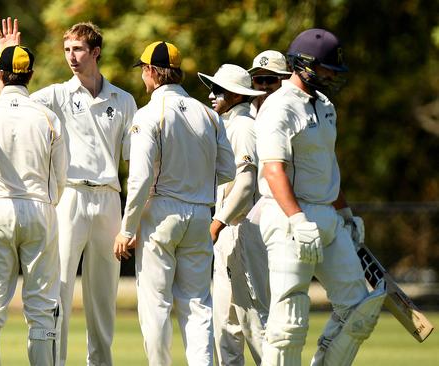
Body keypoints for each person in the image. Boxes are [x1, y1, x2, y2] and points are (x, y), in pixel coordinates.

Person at [254, 28, 385, 365]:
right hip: (288, 218)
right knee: (288, 325)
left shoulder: (326, 106)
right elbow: (273, 169)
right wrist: (297, 219)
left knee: (359, 309)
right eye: (327, 69)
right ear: (304, 65)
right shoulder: (278, 107)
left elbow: (327, 167)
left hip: (327, 216)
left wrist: (345, 214)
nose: (331, 76)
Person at [113, 41, 236, 366]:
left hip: (161, 211)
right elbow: (228, 170)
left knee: (155, 305)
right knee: (197, 304)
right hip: (199, 214)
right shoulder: (209, 115)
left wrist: (127, 229)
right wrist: (195, 186)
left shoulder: (149, 113)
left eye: (143, 71)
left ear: (152, 72)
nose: (143, 77)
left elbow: (138, 180)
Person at [27, 21, 137, 366]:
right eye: (67, 49)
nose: (71, 57)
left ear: (95, 52)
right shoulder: (57, 94)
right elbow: (12, 109)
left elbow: (135, 163)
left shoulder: (123, 99)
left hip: (108, 200)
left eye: (78, 49)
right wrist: (7, 56)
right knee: (58, 290)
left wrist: (132, 219)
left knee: (103, 298)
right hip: (70, 197)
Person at [0, 45, 67, 366]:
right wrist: (48, 203)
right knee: (42, 307)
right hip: (39, 209)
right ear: (31, 75)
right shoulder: (48, 117)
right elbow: (60, 175)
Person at [198, 64, 268, 366]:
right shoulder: (228, 124)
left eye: (220, 90)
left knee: (255, 324)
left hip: (243, 230)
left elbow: (246, 184)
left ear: (238, 95)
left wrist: (217, 223)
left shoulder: (243, 127)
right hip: (230, 232)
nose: (212, 95)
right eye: (212, 89)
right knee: (226, 327)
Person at [246, 50, 291, 116]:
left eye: (270, 79)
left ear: (284, 79)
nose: (264, 86)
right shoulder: (246, 106)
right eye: (259, 79)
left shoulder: (293, 109)